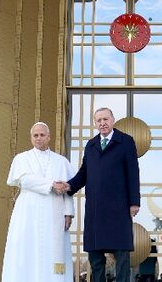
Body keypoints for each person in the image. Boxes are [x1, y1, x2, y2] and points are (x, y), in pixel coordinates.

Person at [55, 107, 140, 282]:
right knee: (95, 255)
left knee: (122, 254)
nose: (102, 123)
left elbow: (133, 172)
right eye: (98, 120)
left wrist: (134, 202)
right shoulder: (91, 145)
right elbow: (84, 173)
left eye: (105, 119)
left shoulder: (126, 141)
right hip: (95, 208)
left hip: (119, 207)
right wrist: (69, 186)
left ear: (113, 120)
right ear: (95, 123)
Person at [1, 122, 75, 282]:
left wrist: (69, 212)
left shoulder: (62, 161)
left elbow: (68, 188)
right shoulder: (21, 158)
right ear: (31, 138)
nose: (39, 138)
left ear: (49, 137)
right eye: (35, 135)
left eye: (42, 135)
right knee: (27, 248)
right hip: (28, 211)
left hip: (55, 211)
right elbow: (25, 180)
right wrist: (51, 184)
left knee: (54, 251)